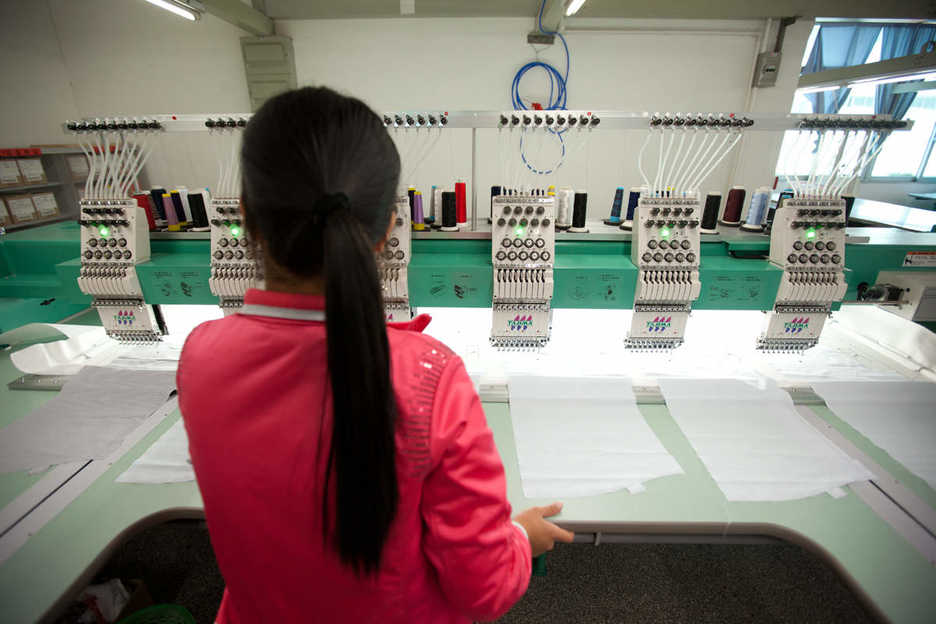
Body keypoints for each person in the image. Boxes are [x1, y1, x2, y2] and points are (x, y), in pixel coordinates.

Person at [177, 86, 573, 623]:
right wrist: (520, 538)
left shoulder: (200, 356)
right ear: (390, 227)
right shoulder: (430, 378)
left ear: (245, 217)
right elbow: (482, 589)